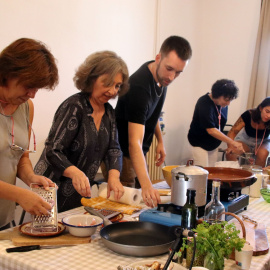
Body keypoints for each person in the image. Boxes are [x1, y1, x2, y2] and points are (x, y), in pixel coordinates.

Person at [35, 51, 129, 212]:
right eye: (108, 83)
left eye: (117, 86)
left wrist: (114, 177)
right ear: (92, 79)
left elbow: (114, 149)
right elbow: (53, 149)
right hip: (51, 186)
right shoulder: (74, 106)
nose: (113, 91)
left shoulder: (109, 112)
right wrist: (75, 173)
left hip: (78, 192)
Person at [114, 36, 192, 207]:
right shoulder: (140, 87)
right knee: (126, 206)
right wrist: (147, 185)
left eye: (178, 72)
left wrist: (160, 141)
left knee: (142, 199)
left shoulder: (161, 79)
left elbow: (152, 114)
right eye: (169, 69)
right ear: (158, 58)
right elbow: (134, 142)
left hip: (137, 150)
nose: (172, 77)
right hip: (123, 154)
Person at [0, 38, 59, 230]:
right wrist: (19, 195)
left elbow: (19, 156)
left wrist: (30, 177)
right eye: (29, 86)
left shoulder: (26, 107)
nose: (32, 94)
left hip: (4, 218)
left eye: (37, 88)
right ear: (8, 73)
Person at [188, 79, 245, 167]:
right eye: (226, 100)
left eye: (230, 100)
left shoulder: (223, 105)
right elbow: (211, 130)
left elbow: (218, 126)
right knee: (202, 172)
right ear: (217, 94)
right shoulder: (204, 102)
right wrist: (233, 143)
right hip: (199, 143)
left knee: (211, 172)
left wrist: (230, 145)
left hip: (213, 144)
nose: (228, 103)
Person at [226, 97, 270, 167]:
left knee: (263, 153)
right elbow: (232, 133)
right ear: (261, 108)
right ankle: (236, 174)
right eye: (267, 111)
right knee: (231, 153)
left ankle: (257, 176)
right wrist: (231, 147)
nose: (268, 116)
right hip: (245, 140)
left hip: (263, 142)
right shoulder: (248, 115)